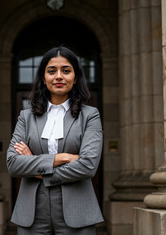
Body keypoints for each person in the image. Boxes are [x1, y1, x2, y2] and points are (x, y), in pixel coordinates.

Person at [7, 46, 103, 235]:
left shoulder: (90, 115)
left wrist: (39, 171)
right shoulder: (26, 117)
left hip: (77, 211)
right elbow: (13, 164)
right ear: (44, 78)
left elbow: (88, 165)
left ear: (75, 78)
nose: (58, 76)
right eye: (52, 71)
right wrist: (63, 158)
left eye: (66, 71)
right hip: (32, 212)